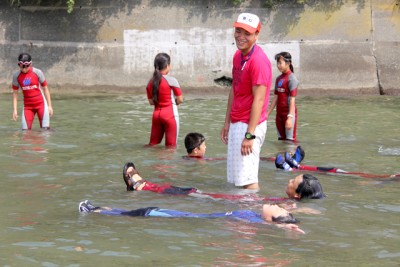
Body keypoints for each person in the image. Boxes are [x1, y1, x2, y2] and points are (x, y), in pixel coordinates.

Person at [220, 13, 272, 190]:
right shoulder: (238, 56)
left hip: (250, 126)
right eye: (238, 31)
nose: (241, 37)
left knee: (248, 180)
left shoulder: (258, 61)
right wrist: (227, 122)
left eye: (247, 33)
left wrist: (250, 135)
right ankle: (238, 216)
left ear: (257, 34)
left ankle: (249, 216)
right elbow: (234, 89)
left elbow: (259, 100)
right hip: (237, 122)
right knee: (236, 180)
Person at [122, 162, 324, 201]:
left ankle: (143, 186)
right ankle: (145, 185)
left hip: (226, 201)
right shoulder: (291, 203)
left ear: (298, 194)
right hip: (231, 200)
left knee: (188, 192)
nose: (289, 180)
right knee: (189, 191)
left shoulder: (294, 207)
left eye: (293, 181)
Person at [78, 200, 305, 234]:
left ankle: (95, 211)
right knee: (140, 212)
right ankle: (103, 210)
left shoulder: (255, 220)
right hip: (185, 214)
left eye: (279, 210)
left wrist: (286, 227)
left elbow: (276, 226)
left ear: (273, 220)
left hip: (182, 218)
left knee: (142, 213)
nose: (276, 205)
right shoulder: (255, 214)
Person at [146, 53, 183, 148]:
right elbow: (180, 99)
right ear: (167, 66)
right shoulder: (172, 80)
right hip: (170, 115)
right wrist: (175, 103)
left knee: (152, 145)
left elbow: (151, 102)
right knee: (171, 147)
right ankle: (165, 163)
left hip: (156, 116)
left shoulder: (150, 83)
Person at [12, 52, 53, 130]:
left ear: (30, 64)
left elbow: (45, 88)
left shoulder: (37, 72)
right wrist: (15, 110)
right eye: (21, 66)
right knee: (25, 132)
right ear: (19, 64)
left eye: (26, 66)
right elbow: (15, 94)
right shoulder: (16, 76)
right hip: (28, 107)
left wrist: (49, 106)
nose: (24, 69)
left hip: (41, 104)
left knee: (45, 131)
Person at [267, 52, 299, 142]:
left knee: (290, 141)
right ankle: (281, 155)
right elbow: (275, 98)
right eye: (277, 63)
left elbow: (292, 100)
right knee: (281, 140)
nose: (278, 65)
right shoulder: (278, 79)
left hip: (288, 114)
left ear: (288, 63)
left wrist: (290, 117)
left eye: (280, 63)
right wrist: (267, 114)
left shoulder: (292, 79)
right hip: (279, 115)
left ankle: (293, 155)